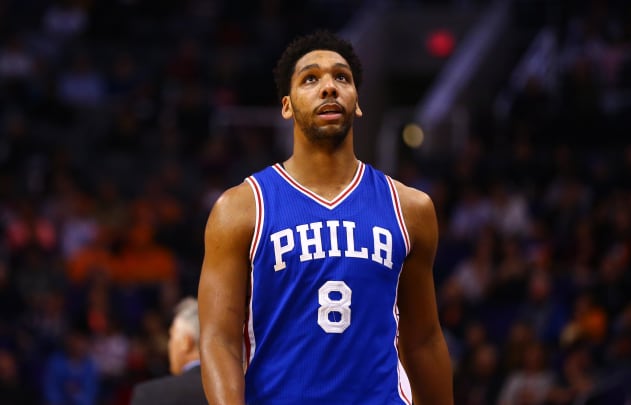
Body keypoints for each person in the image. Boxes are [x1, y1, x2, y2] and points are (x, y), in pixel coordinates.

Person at [197, 29, 454, 404]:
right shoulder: (241, 208)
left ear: (358, 101)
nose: (329, 87)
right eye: (311, 78)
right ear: (287, 105)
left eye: (342, 78)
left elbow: (424, 340)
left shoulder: (410, 208)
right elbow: (219, 339)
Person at [130, 297, 208, 405]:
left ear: (186, 342)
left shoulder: (150, 395)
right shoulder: (232, 389)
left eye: (171, 337)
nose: (169, 345)